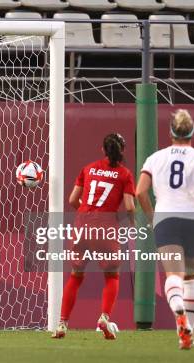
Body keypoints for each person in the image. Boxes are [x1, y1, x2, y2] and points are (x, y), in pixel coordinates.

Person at [135, 109, 194, 350]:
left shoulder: (155, 158)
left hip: (166, 218)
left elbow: (140, 191)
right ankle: (188, 332)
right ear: (193, 131)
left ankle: (178, 312)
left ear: (170, 132)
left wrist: (152, 218)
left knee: (174, 276)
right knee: (193, 276)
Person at [52, 134, 135, 340]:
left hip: (82, 226)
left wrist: (86, 214)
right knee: (112, 276)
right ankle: (104, 317)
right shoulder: (125, 174)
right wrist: (126, 221)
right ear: (122, 150)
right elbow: (131, 207)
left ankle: (62, 324)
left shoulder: (88, 168)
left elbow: (72, 199)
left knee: (75, 275)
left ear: (102, 149)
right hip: (106, 228)